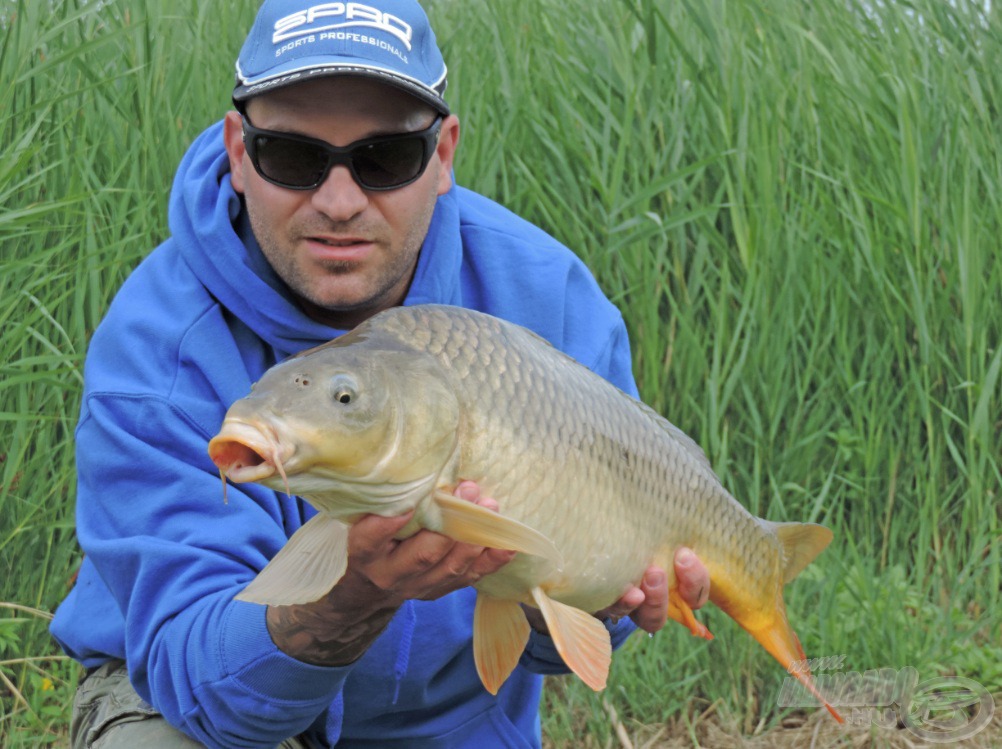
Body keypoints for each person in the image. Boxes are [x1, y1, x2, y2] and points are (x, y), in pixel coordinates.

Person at [50, 1, 711, 746]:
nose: (339, 202)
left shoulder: (546, 300)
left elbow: (565, 641)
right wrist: (355, 595)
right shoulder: (158, 349)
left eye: (384, 160)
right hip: (196, 700)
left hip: (453, 723)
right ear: (238, 153)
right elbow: (206, 693)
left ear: (443, 156)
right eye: (293, 157)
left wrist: (586, 602)